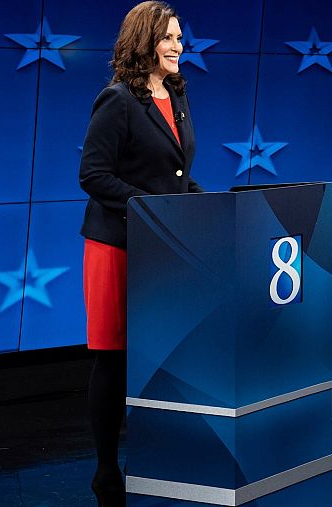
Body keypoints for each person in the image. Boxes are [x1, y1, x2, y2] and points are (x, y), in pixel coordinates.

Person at [78, 2, 202, 505]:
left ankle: (150, 456)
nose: (178, 46)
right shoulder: (118, 100)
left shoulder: (176, 93)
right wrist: (150, 209)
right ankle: (107, 469)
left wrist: (205, 203)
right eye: (169, 37)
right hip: (118, 246)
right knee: (114, 358)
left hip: (162, 246)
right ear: (145, 40)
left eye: (180, 38)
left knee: (158, 356)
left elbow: (174, 173)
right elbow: (93, 175)